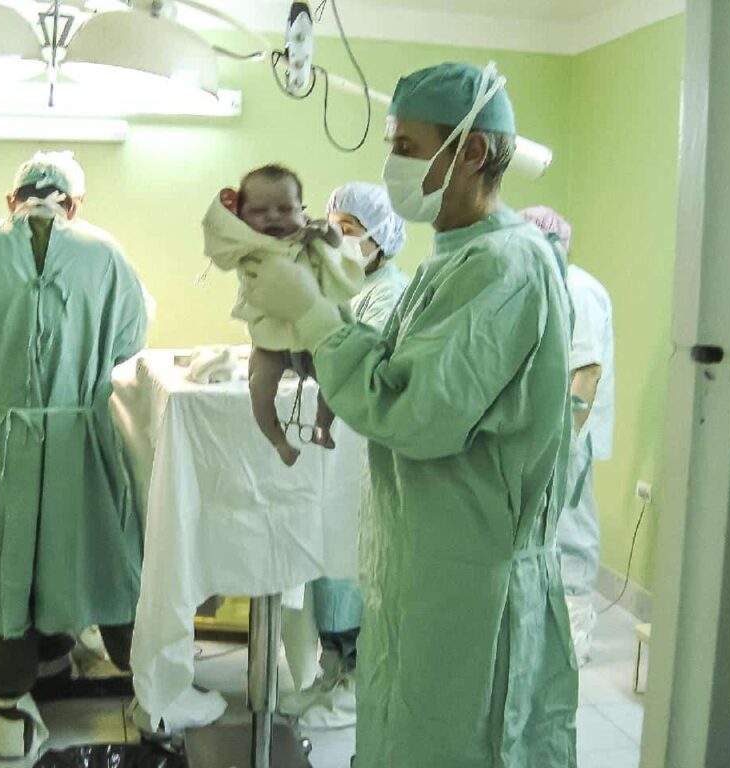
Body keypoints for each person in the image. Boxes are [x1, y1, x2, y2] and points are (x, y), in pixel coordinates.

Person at [242, 62, 577, 766]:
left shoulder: (506, 268)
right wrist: (322, 320)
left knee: (457, 745)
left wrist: (313, 316)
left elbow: (412, 410)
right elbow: (390, 370)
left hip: (471, 585)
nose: (392, 164)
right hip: (424, 566)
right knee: (404, 735)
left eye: (407, 147)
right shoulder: (451, 261)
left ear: (473, 151)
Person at [0, 151, 147, 758]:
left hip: (5, 437)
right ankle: (144, 675)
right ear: (76, 202)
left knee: (7, 563)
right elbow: (129, 342)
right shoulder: (107, 255)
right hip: (80, 434)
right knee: (95, 549)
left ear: (11, 199)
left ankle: (10, 695)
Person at [280, 182, 409, 729]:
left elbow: (358, 360)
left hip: (362, 450)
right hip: (332, 451)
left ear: (380, 240)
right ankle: (332, 671)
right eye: (333, 229)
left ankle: (357, 685)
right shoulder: (343, 284)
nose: (338, 240)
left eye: (350, 232)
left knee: (353, 565)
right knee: (327, 563)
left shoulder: (389, 293)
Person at [202, 164, 364, 466]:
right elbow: (217, 231)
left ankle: (322, 427)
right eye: (259, 211)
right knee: (260, 387)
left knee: (334, 382)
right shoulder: (247, 246)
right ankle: (278, 441)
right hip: (270, 342)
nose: (273, 217)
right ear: (241, 219)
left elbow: (339, 252)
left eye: (284, 208)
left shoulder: (309, 238)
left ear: (301, 211)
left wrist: (327, 233)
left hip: (313, 337)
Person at [520, 205, 615, 666]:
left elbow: (588, 371)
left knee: (572, 526)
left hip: (572, 430)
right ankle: (548, 624)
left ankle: (575, 631)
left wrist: (564, 440)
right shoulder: (546, 285)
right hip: (546, 428)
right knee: (549, 526)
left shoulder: (579, 289)